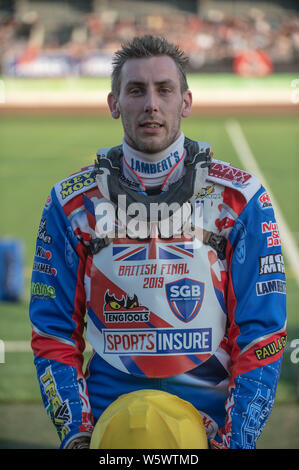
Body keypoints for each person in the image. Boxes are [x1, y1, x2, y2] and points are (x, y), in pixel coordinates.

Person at [29, 35, 287, 449]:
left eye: (164, 89)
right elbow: (54, 331)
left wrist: (237, 440)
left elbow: (262, 334)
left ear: (185, 102)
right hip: (109, 426)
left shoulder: (240, 198)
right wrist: (76, 430)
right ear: (114, 104)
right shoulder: (72, 203)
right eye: (136, 90)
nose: (151, 103)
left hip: (212, 426)